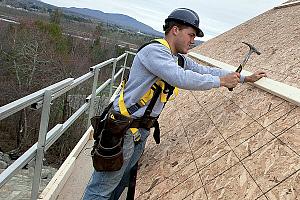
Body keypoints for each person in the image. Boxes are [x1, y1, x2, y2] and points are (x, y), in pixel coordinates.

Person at [83, 8, 266, 200]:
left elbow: (205, 71)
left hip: (140, 131)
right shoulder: (154, 51)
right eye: (191, 35)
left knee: (122, 182)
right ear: (175, 30)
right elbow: (180, 78)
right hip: (122, 129)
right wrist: (222, 82)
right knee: (101, 189)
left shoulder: (176, 58)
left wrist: (245, 78)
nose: (193, 40)